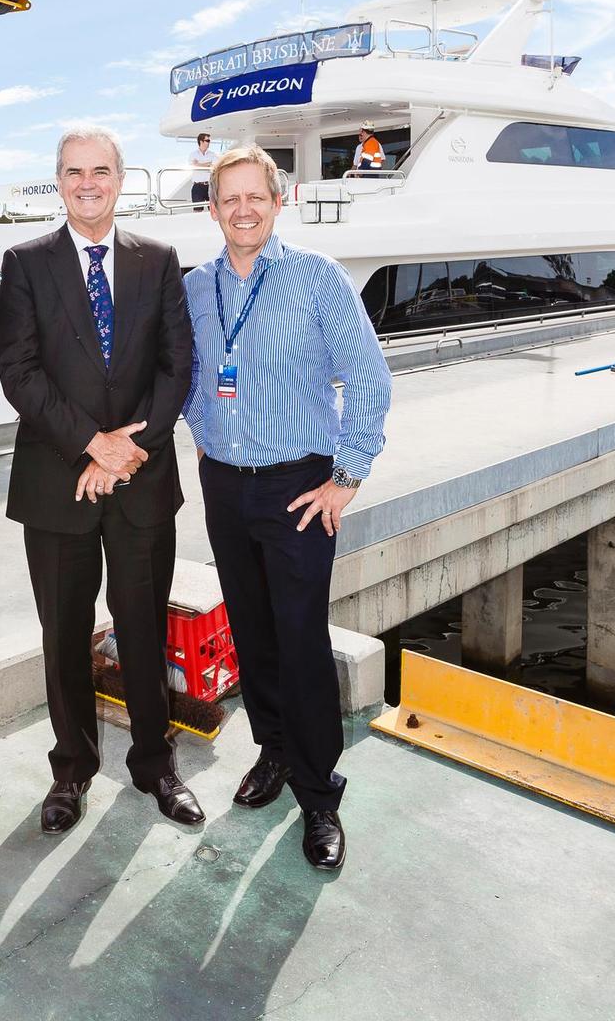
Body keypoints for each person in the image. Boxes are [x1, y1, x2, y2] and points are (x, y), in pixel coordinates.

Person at [183, 144, 391, 872]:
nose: (242, 209)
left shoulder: (316, 278)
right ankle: (273, 750)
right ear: (212, 209)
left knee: (300, 638)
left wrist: (348, 476)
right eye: (228, 198)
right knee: (252, 628)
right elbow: (188, 375)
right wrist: (202, 433)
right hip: (225, 485)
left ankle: (318, 790)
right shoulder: (195, 288)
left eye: (255, 196)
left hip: (298, 485)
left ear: (279, 202)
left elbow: (369, 376)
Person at [0, 127, 203, 835]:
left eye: (101, 170)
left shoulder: (159, 260)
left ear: (121, 179)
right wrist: (91, 444)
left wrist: (128, 448)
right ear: (58, 180)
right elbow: (19, 373)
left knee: (144, 628)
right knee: (64, 634)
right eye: (74, 171)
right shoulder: (24, 263)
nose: (88, 182)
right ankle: (72, 769)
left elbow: (179, 366)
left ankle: (154, 763)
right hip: (59, 483)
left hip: (143, 479)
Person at [189, 132, 214, 209]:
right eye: (207, 141)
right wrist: (208, 164)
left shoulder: (212, 154)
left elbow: (215, 165)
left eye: (209, 141)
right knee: (197, 210)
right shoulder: (193, 154)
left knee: (214, 210)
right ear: (201, 141)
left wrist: (199, 164)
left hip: (210, 186)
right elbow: (193, 166)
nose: (209, 143)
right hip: (197, 187)